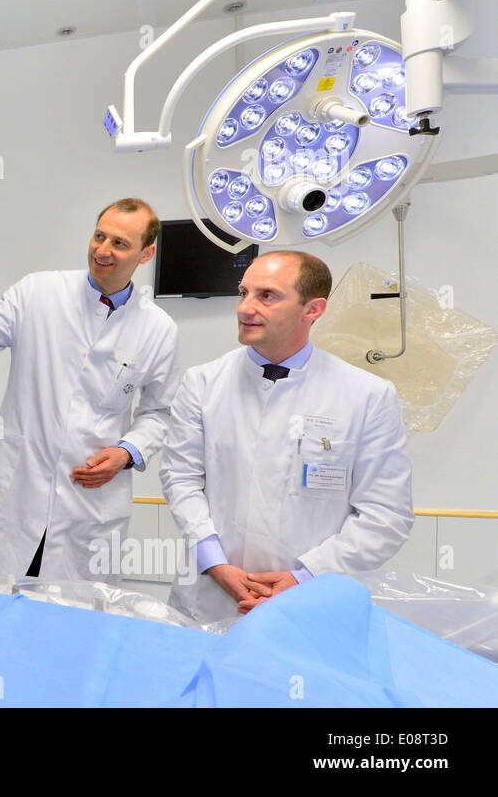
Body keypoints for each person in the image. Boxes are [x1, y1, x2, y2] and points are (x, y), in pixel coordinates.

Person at [0, 198, 179, 582]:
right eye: (98, 236)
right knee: (0, 612)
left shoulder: (158, 329)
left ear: (146, 253)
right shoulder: (38, 292)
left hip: (88, 506)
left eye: (120, 243)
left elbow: (159, 412)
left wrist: (128, 452)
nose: (102, 250)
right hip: (18, 497)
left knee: (73, 623)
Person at [160, 250, 413, 624]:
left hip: (312, 605)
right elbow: (181, 479)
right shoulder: (202, 383)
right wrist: (214, 564)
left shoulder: (367, 396)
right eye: (243, 292)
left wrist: (304, 577)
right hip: (210, 598)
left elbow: (386, 515)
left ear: (312, 309)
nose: (244, 308)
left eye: (267, 296)